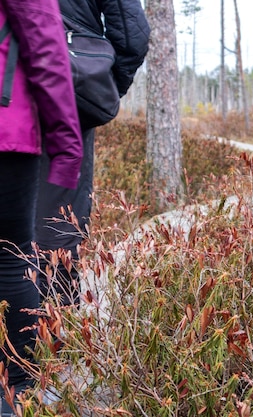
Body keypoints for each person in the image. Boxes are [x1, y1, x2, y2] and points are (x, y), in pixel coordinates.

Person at [36, 0, 150, 307]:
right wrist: (94, 90)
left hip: (27, 94)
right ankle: (51, 341)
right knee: (56, 228)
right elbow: (132, 37)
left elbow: (132, 37)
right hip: (67, 94)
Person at [0, 0, 83, 412]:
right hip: (6, 134)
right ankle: (16, 392)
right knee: (10, 259)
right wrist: (68, 144)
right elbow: (46, 47)